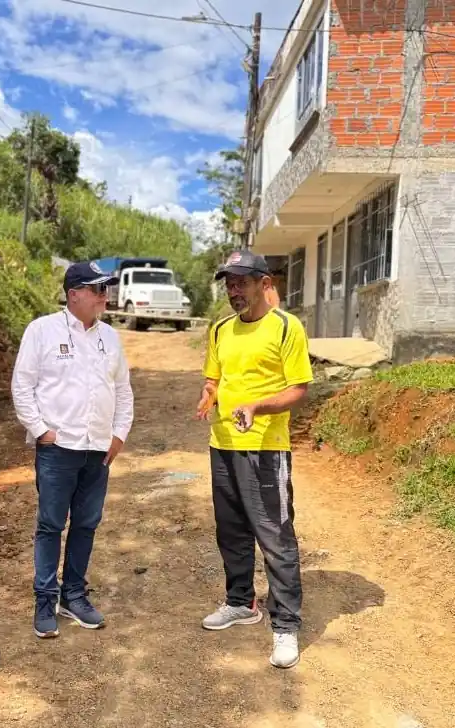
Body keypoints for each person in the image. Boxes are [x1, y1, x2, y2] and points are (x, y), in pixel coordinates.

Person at [194, 250, 313, 669]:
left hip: (265, 448)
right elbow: (215, 376)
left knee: (275, 537)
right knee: (231, 532)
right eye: (228, 283)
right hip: (222, 445)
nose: (233, 290)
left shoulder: (286, 327)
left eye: (241, 282)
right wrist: (209, 395)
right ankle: (240, 603)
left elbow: (299, 389)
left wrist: (257, 406)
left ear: (264, 283)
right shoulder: (221, 329)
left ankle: (285, 626)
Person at [11, 261, 134, 639]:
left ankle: (74, 596)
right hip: (58, 449)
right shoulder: (42, 330)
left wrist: (119, 434)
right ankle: (45, 600)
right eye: (98, 289)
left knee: (86, 524)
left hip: (98, 450)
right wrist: (41, 431)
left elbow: (123, 390)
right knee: (50, 525)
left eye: (105, 289)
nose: (105, 296)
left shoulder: (110, 337)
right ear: (74, 293)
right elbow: (22, 386)